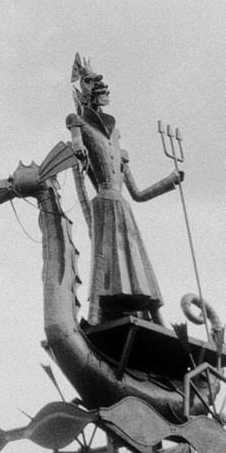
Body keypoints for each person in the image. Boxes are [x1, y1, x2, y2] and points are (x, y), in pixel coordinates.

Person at [66, 56, 180, 323]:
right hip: (104, 201)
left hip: (123, 207)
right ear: (85, 92)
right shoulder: (77, 121)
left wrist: (170, 181)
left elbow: (138, 194)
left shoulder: (117, 142)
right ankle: (94, 314)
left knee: (138, 260)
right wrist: (78, 147)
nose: (101, 87)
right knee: (102, 257)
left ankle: (157, 317)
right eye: (92, 83)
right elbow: (76, 144)